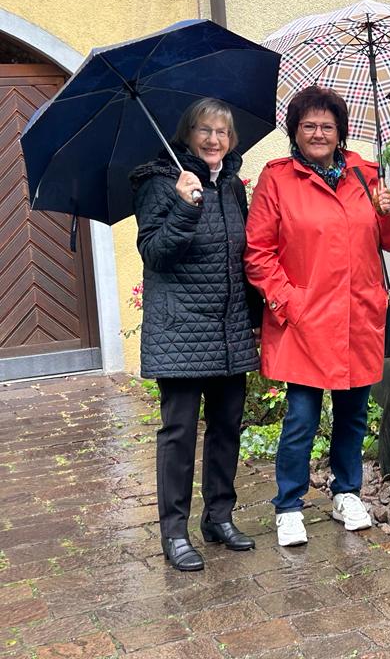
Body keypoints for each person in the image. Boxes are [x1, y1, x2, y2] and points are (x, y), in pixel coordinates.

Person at [244, 85, 390, 547]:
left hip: (358, 315)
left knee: (353, 414)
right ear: (295, 131)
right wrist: (288, 302)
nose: (318, 133)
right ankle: (289, 505)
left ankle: (346, 492)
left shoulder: (365, 175)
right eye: (309, 125)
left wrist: (389, 213)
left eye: (327, 126)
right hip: (304, 320)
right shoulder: (278, 179)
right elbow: (258, 253)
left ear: (340, 132)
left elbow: (388, 240)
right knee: (301, 417)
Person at [131, 98, 260, 572]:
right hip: (180, 331)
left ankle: (219, 517)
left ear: (232, 139)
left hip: (228, 330)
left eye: (222, 132)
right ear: (186, 135)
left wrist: (254, 319)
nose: (213, 139)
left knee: (227, 427)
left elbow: (241, 256)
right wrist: (184, 206)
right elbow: (154, 254)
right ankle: (174, 532)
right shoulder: (159, 183)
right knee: (180, 434)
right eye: (204, 130)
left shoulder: (231, 185)